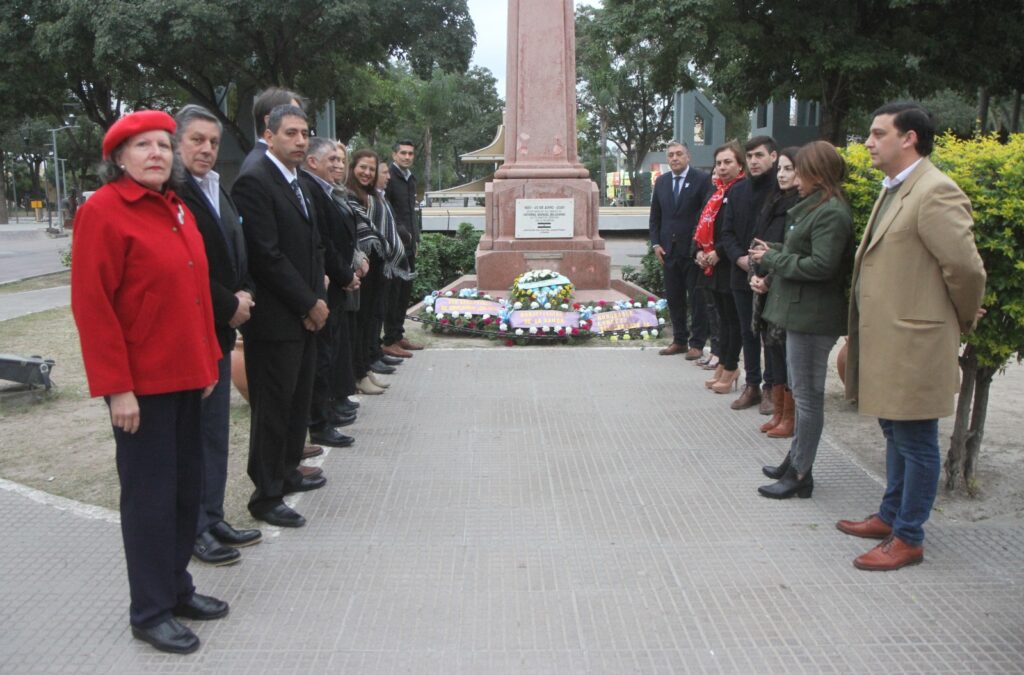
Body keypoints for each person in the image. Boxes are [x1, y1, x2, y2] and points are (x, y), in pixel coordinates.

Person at [71, 110, 227, 654]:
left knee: (187, 493)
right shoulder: (104, 212)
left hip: (189, 377)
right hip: (142, 388)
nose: (157, 153)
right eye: (143, 146)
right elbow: (94, 308)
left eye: (163, 144)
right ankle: (150, 609)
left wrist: (208, 360)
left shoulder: (178, 209)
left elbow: (199, 295)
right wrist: (117, 388)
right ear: (118, 157)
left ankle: (177, 586)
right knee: (151, 500)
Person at [837, 102, 985, 571]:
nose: (868, 142)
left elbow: (964, 267)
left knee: (917, 439)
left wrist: (959, 318)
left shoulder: (935, 191)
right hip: (888, 340)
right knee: (894, 430)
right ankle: (890, 514)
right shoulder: (897, 188)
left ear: (910, 139)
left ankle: (909, 536)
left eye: (878, 133)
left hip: (915, 341)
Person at [174, 104, 262, 567]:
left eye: (212, 141)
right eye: (196, 140)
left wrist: (244, 291)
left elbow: (234, 251)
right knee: (194, 437)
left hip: (223, 328)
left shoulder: (216, 188)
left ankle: (212, 515)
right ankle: (195, 528)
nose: (207, 149)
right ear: (177, 144)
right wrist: (231, 304)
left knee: (214, 433)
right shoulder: (176, 194)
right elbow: (186, 268)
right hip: (196, 328)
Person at [231, 104, 327, 528]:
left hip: (303, 313)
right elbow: (266, 256)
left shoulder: (298, 181)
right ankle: (266, 495)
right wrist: (309, 302)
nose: (301, 141)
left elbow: (310, 244)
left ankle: (288, 472)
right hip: (275, 319)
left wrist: (316, 297)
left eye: (305, 133)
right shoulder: (255, 180)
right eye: (291, 133)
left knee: (296, 402)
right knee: (272, 409)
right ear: (268, 136)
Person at [750, 141, 854, 499]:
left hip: (812, 316)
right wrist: (774, 251)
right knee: (803, 393)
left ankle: (800, 473)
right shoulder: (815, 208)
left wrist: (775, 260)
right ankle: (795, 460)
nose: (793, 179)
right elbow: (802, 253)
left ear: (816, 174)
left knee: (808, 399)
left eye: (799, 171)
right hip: (800, 311)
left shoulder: (831, 212)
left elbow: (822, 266)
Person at [300, 136, 359, 447]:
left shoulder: (325, 191)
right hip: (324, 284)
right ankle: (321, 423)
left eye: (340, 160)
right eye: (332, 160)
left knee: (330, 352)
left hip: (334, 282)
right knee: (322, 357)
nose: (338, 164)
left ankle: (327, 413)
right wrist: (344, 274)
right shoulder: (311, 189)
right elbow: (324, 241)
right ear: (313, 162)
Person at [720, 136, 778, 411]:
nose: (754, 161)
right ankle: (752, 384)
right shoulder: (738, 191)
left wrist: (763, 264)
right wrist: (738, 257)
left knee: (770, 335)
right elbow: (727, 231)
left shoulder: (781, 190)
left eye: (760, 155)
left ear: (774, 157)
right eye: (751, 156)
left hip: (771, 276)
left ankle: (771, 388)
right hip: (741, 271)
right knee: (748, 332)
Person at [750, 147, 801, 439]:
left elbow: (790, 251)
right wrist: (756, 276)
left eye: (788, 169)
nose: (781, 174)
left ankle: (789, 416)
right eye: (780, 169)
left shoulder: (800, 206)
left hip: (781, 287)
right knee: (772, 352)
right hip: (765, 284)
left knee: (786, 354)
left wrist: (768, 279)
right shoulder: (774, 201)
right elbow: (760, 243)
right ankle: (780, 412)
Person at [649, 140, 713, 359]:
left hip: (693, 250)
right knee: (674, 298)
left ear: (688, 157)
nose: (674, 158)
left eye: (678, 154)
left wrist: (700, 247)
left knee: (697, 298)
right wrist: (656, 244)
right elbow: (655, 216)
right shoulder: (662, 182)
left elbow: (706, 215)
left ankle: (697, 343)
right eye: (670, 155)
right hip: (668, 251)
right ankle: (679, 340)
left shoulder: (702, 180)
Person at [694, 141, 746, 393]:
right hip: (712, 266)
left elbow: (738, 231)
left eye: (728, 162)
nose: (723, 168)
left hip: (729, 265)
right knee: (723, 319)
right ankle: (724, 363)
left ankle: (731, 366)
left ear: (740, 165)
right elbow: (703, 226)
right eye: (719, 163)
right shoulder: (716, 192)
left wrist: (718, 252)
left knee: (733, 321)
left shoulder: (741, 191)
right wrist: (699, 253)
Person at [382, 139, 424, 357]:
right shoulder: (390, 177)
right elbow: (389, 211)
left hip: (409, 244)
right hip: (395, 245)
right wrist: (400, 233)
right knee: (394, 292)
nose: (407, 157)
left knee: (405, 291)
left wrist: (415, 238)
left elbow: (410, 212)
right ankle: (389, 339)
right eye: (403, 153)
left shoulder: (410, 178)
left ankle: (398, 335)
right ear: (394, 155)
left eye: (410, 154)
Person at [239, 87, 304, 176]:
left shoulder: (283, 162)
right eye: (292, 115)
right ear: (269, 122)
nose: (300, 122)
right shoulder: (259, 168)